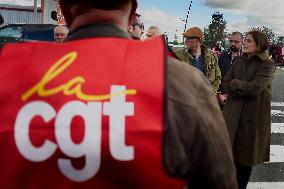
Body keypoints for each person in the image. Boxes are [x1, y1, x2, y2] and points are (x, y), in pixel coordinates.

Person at [0, 0, 237, 188]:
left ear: (63, 7)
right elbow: (219, 179)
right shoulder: (183, 80)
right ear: (132, 9)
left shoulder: (7, 72)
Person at [222, 30, 276, 189]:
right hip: (231, 117)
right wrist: (236, 85)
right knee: (229, 160)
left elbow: (255, 88)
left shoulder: (268, 64)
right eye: (244, 40)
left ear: (259, 45)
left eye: (249, 41)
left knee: (244, 163)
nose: (244, 43)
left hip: (251, 119)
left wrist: (235, 84)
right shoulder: (238, 61)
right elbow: (225, 82)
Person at [175, 27, 221, 94]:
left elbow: (218, 77)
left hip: (206, 97)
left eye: (189, 38)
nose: (186, 40)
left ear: (199, 40)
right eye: (186, 38)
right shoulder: (179, 55)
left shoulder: (211, 55)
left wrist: (211, 92)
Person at [217, 31, 243, 107]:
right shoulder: (223, 55)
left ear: (242, 42)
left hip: (239, 98)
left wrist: (231, 94)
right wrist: (219, 94)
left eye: (236, 42)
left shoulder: (246, 57)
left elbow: (246, 80)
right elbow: (217, 75)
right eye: (231, 41)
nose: (233, 44)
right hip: (221, 98)